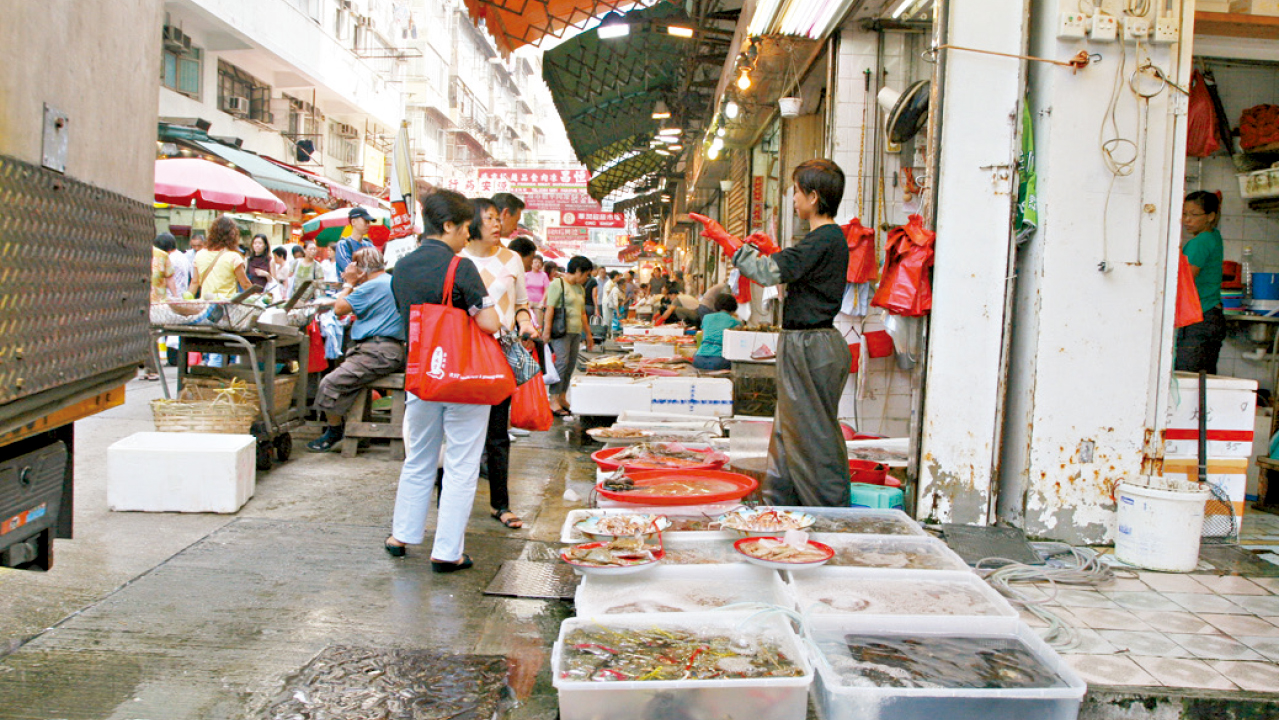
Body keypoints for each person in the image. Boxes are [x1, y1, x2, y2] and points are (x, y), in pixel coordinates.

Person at [696, 158, 852, 507]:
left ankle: (830, 513)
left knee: (812, 436)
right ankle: (779, 506)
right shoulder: (823, 240)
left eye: (796, 192)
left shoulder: (824, 238)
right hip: (810, 344)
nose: (793, 199)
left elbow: (766, 273)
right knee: (788, 432)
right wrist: (774, 251)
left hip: (811, 345)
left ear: (813, 197)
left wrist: (726, 239)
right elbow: (794, 270)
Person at [385, 189, 500, 570]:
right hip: (464, 378)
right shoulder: (461, 267)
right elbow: (488, 322)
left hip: (421, 375)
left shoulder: (401, 268)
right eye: (467, 228)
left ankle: (401, 535)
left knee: (418, 458)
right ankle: (447, 552)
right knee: (461, 464)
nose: (468, 237)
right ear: (449, 225)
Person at [461, 197, 537, 530]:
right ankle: (451, 502)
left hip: (501, 351)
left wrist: (525, 322)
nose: (496, 224)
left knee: (497, 432)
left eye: (497, 218)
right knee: (460, 431)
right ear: (470, 223)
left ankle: (500, 504)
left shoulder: (513, 259)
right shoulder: (456, 259)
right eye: (488, 218)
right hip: (464, 352)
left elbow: (520, 304)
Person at [307, 247, 405, 452]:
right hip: (385, 351)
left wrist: (349, 283)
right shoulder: (386, 281)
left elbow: (340, 308)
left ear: (362, 270)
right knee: (347, 378)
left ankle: (334, 431)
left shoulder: (373, 285)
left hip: (378, 351)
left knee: (329, 383)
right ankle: (352, 431)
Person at [1177, 190, 1226, 374]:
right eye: (1184, 214)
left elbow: (1185, 281)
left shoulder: (1201, 241)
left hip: (1200, 318)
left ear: (1211, 216)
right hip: (1210, 315)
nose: (1187, 220)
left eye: (1194, 215)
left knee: (1189, 377)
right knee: (1203, 381)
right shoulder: (1214, 236)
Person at [541, 255, 594, 416]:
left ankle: (563, 396)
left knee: (570, 366)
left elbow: (583, 313)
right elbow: (550, 308)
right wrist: (546, 332)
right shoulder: (558, 284)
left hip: (575, 331)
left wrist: (588, 334)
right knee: (561, 365)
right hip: (561, 331)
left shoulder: (580, 288)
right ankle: (553, 399)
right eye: (586, 274)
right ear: (578, 271)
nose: (587, 278)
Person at [191, 215, 252, 300]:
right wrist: (256, 297)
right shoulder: (233, 257)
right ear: (232, 235)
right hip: (226, 306)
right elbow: (245, 284)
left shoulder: (199, 254)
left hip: (206, 305)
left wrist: (188, 299)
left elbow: (194, 282)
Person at [694, 294, 741, 371]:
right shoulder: (736, 322)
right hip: (720, 360)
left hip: (699, 358)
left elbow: (701, 336)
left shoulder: (707, 317)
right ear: (734, 308)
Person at [335, 207, 376, 275]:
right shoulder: (343, 245)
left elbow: (377, 269)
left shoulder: (370, 246)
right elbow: (349, 270)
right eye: (365, 221)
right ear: (353, 222)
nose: (368, 225)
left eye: (369, 222)